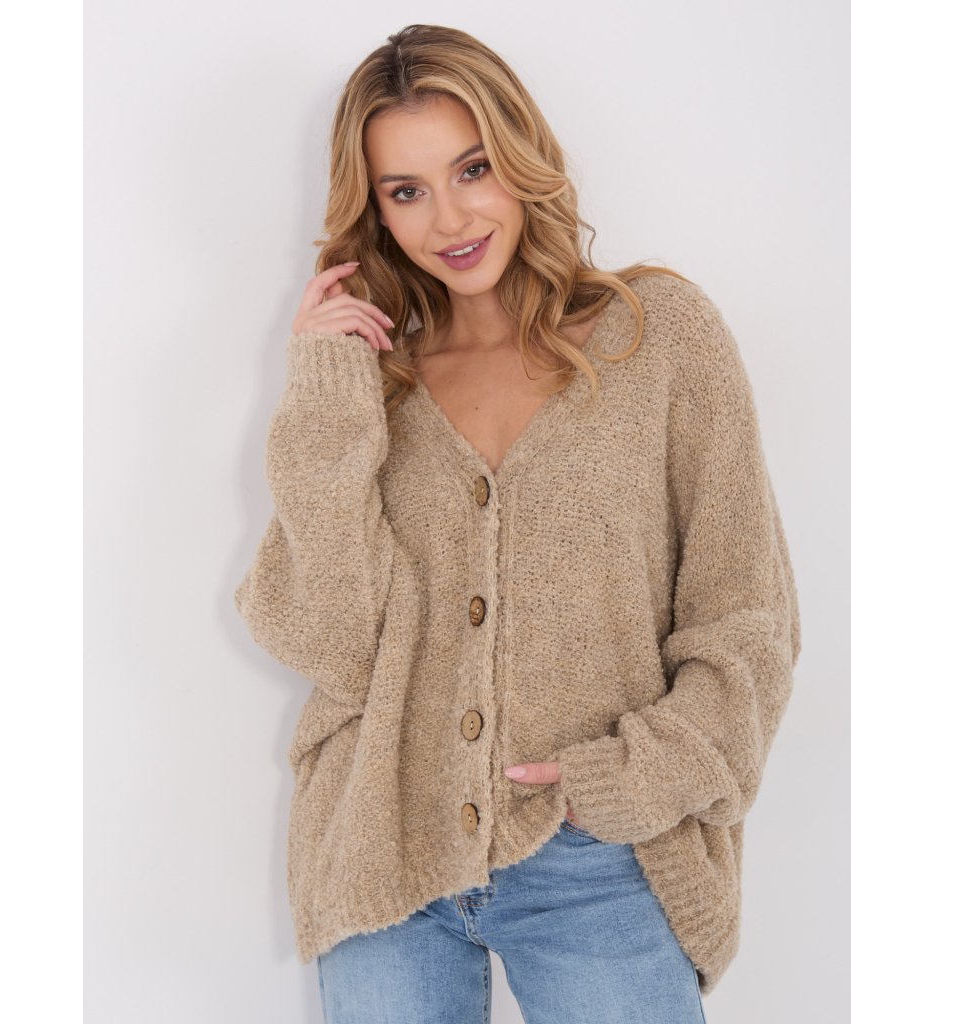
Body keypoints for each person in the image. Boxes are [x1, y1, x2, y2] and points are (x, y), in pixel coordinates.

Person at [234, 22, 801, 1024]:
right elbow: (330, 640)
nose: (449, 216)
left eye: (472, 168)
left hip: (599, 858)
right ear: (374, 211)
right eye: (405, 190)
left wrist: (632, 777)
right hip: (385, 862)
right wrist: (326, 390)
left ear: (521, 157)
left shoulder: (658, 336)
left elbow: (746, 619)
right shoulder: (375, 391)